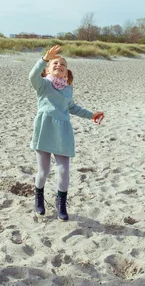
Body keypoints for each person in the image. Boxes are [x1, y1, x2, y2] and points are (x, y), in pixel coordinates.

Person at [29, 45, 104, 221]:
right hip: (44, 129)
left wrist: (91, 115)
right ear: (47, 69)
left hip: (63, 132)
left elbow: (72, 108)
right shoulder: (43, 85)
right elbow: (32, 76)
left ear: (66, 72)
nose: (59, 65)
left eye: (63, 64)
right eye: (55, 63)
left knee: (63, 171)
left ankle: (61, 203)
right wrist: (44, 59)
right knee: (44, 171)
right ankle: (38, 196)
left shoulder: (68, 89)